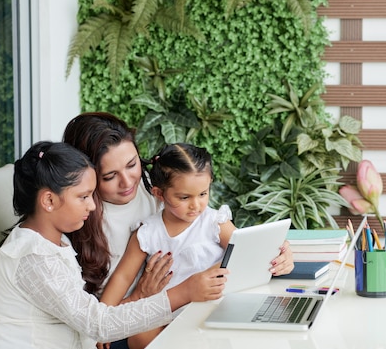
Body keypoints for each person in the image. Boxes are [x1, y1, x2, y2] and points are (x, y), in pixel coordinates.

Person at [62, 113, 293, 348]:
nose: (128, 182)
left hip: (206, 302)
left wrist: (278, 254)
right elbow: (120, 280)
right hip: (145, 311)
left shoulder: (198, 211)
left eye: (133, 164)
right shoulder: (99, 222)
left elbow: (244, 247)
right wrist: (111, 321)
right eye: (110, 176)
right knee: (141, 337)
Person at [0, 141, 176, 349]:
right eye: (83, 197)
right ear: (49, 201)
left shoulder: (55, 241)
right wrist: (183, 294)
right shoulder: (33, 257)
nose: (91, 205)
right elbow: (99, 325)